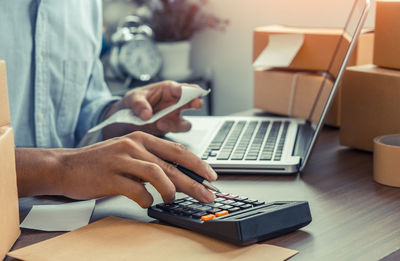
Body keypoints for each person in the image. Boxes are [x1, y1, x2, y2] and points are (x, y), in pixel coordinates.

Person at [0, 1, 216, 208]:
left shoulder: (85, 5)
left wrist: (127, 118)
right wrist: (60, 168)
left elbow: (84, 114)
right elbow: (69, 163)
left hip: (71, 215)